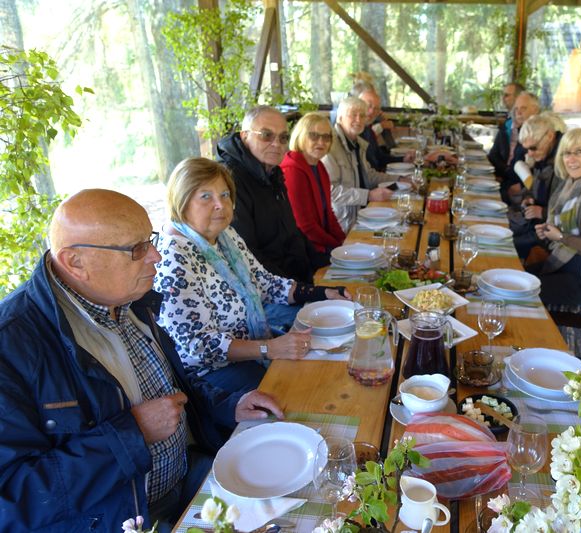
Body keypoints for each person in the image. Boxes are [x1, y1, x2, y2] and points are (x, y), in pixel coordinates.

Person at [0, 189, 285, 532]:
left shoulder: (130, 298)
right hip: (125, 518)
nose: (156, 257)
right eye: (136, 249)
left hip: (188, 476)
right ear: (76, 262)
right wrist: (131, 435)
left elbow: (173, 388)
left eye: (150, 240)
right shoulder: (13, 344)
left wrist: (229, 405)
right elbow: (11, 499)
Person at [155, 158, 348, 395]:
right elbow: (199, 346)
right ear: (181, 201)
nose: (220, 205)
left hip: (253, 345)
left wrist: (322, 292)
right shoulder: (173, 257)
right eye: (205, 196)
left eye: (225, 195)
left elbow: (263, 282)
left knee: (324, 361)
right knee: (297, 389)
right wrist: (269, 348)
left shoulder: (225, 235)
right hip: (209, 374)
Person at [217, 105, 327, 284]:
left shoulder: (272, 172)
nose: (277, 144)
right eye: (266, 135)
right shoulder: (229, 180)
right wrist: (297, 289)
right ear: (245, 136)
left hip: (294, 276)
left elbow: (292, 232)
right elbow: (247, 256)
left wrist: (325, 261)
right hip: (269, 291)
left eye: (283, 137)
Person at [522, 128, 581, 306]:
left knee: (520, 291)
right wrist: (547, 231)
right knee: (515, 277)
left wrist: (560, 236)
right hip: (561, 261)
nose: (571, 159)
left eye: (579, 152)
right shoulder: (568, 185)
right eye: (566, 153)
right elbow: (561, 231)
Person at [322, 96, 394, 232]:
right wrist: (368, 195)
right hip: (343, 225)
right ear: (340, 118)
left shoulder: (357, 143)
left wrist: (400, 179)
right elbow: (331, 192)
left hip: (363, 216)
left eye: (362, 116)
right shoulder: (330, 147)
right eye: (353, 115)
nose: (358, 120)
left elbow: (370, 176)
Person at [281, 112, 346, 256]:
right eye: (314, 136)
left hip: (322, 243)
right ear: (301, 136)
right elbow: (305, 226)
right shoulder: (292, 170)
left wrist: (343, 240)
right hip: (306, 250)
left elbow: (328, 213)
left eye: (326, 137)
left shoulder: (319, 166)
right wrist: (337, 245)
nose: (321, 142)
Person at [509, 114, 565, 259]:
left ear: (550, 136)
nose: (530, 154)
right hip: (534, 225)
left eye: (533, 148)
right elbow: (533, 186)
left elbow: (574, 211)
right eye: (527, 149)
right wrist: (528, 198)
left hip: (549, 234)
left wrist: (543, 212)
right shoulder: (544, 155)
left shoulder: (566, 162)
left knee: (505, 245)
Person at [488, 91, 541, 199]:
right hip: (509, 183)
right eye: (516, 109)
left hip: (525, 192)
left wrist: (522, 186)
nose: (518, 112)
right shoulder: (518, 129)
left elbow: (544, 170)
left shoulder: (540, 133)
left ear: (535, 110)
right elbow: (495, 155)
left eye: (523, 108)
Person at [355, 86, 405, 172]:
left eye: (376, 109)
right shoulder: (353, 134)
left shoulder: (368, 131)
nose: (371, 112)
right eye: (368, 105)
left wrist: (404, 159)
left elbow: (380, 158)